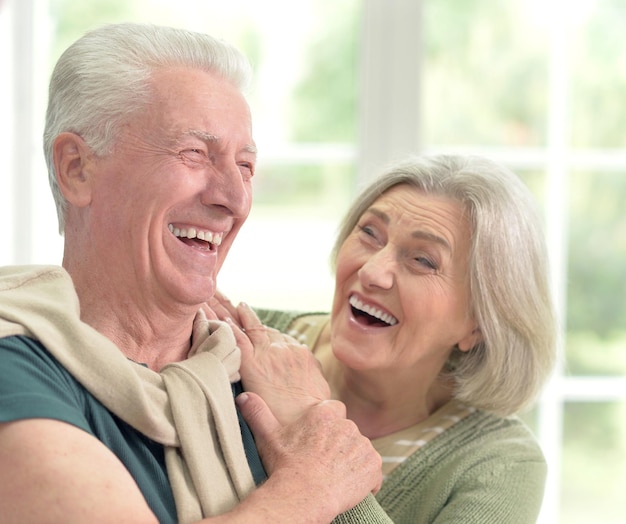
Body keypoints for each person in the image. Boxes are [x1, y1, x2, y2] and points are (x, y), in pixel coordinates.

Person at [0, 23, 390, 524]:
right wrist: (312, 489)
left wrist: (312, 421)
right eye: (194, 154)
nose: (232, 197)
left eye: (245, 166)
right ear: (77, 168)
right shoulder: (16, 367)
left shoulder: (263, 376)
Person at [214, 153, 557, 523]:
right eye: (369, 233)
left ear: (479, 322)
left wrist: (313, 431)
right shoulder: (230, 340)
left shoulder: (499, 464)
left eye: (423, 260)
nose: (373, 272)